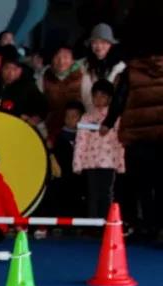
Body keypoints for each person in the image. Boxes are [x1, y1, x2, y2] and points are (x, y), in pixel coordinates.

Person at [74, 80, 125, 219]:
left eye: (103, 96)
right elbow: (80, 141)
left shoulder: (116, 118)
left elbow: (120, 143)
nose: (98, 99)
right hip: (90, 163)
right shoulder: (86, 117)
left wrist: (121, 164)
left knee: (106, 193)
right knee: (92, 193)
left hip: (109, 163)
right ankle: (92, 223)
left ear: (110, 98)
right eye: (95, 95)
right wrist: (78, 163)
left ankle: (105, 222)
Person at [40, 46, 85, 140]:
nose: (61, 61)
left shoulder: (82, 75)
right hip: (52, 128)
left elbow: (89, 102)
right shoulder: (45, 76)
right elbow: (39, 103)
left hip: (78, 129)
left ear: (72, 60)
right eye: (57, 57)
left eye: (66, 57)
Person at [81, 24, 125, 111]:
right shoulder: (85, 65)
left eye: (103, 42)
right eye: (94, 42)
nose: (99, 46)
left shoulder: (120, 67)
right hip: (89, 114)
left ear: (111, 45)